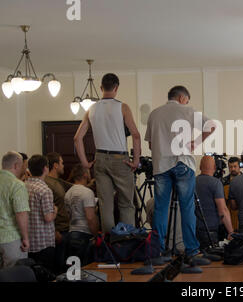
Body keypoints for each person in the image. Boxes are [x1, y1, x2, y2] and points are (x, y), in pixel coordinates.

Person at [145, 85, 215, 262]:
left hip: (161, 166)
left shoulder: (154, 114)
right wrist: (196, 142)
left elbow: (151, 145)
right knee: (187, 207)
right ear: (183, 98)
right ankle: (191, 250)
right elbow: (211, 125)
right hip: (182, 163)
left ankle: (158, 251)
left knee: (161, 208)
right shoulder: (187, 110)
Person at [74, 73, 141, 233]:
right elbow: (136, 135)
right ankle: (125, 241)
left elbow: (77, 138)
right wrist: (136, 161)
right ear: (116, 88)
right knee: (126, 202)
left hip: (100, 158)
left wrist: (85, 163)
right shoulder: (122, 107)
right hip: (120, 158)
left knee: (105, 203)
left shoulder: (91, 109)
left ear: (101, 88)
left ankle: (108, 244)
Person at [25, 155, 57, 273]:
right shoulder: (45, 190)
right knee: (46, 274)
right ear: (45, 168)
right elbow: (48, 217)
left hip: (28, 241)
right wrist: (55, 211)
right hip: (44, 242)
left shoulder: (24, 186)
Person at [195, 156, 233, 250]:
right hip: (210, 230)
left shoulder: (192, 182)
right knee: (211, 260)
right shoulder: (215, 183)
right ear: (215, 168)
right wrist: (231, 232)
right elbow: (222, 210)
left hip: (194, 229)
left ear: (200, 167)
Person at [0, 151, 30, 268]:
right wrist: (26, 238)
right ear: (16, 165)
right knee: (15, 274)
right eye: (23, 165)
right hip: (11, 239)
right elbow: (21, 213)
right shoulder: (17, 185)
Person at [65, 164, 99, 265]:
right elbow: (90, 217)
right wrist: (96, 235)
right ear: (85, 175)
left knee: (74, 269)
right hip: (84, 234)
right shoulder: (87, 192)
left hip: (71, 233)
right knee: (86, 268)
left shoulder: (68, 193)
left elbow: (68, 214)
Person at [45, 152, 72, 273]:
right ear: (55, 165)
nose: (63, 166)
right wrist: (54, 231)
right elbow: (47, 209)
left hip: (65, 229)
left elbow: (77, 186)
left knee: (64, 266)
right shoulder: (48, 183)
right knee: (58, 268)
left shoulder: (58, 181)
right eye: (61, 163)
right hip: (58, 232)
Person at [223, 157, 241, 232]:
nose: (233, 169)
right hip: (228, 218)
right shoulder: (223, 182)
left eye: (235, 166)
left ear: (239, 167)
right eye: (230, 167)